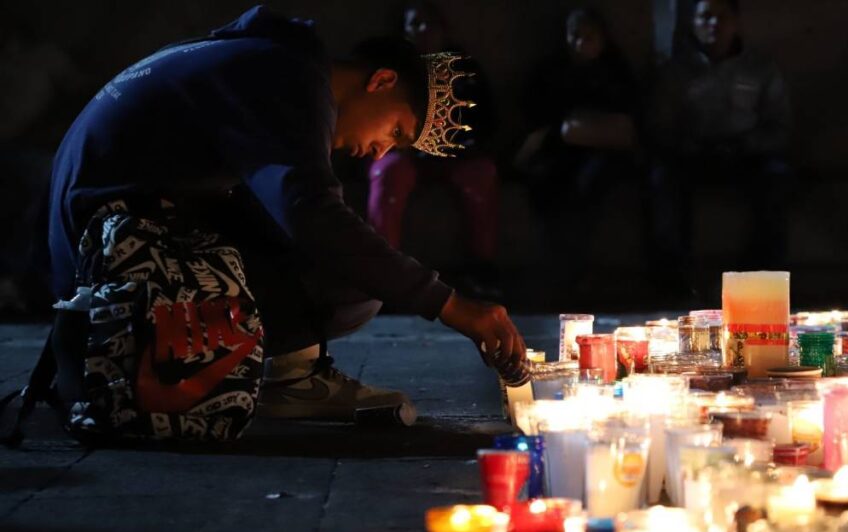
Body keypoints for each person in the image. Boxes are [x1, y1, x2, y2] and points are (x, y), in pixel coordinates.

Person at [47, 6, 526, 426]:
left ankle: (292, 373)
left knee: (345, 247)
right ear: (380, 81)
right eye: (395, 131)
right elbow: (311, 215)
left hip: (106, 240)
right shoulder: (291, 82)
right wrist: (450, 305)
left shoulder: (273, 61)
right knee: (352, 276)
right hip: (109, 258)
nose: (380, 154)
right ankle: (291, 382)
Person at [646, 0, 792, 277]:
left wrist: (747, 144)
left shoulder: (760, 68)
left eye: (722, 17)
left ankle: (760, 276)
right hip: (692, 155)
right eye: (706, 17)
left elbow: (780, 126)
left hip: (745, 155)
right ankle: (673, 279)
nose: (714, 24)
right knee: (662, 179)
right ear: (693, 22)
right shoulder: (675, 71)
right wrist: (687, 144)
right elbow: (659, 126)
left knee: (778, 177)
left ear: (736, 23)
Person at [367, 1, 500, 292]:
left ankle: (481, 271)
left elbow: (486, 119)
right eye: (415, 24)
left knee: (481, 174)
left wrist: (465, 143)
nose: (423, 30)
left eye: (429, 23)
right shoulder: (392, 69)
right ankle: (384, 274)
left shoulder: (464, 67)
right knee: (388, 173)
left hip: (456, 155)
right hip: (404, 153)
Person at [516, 8, 640, 275]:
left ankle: (576, 265)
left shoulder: (614, 69)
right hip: (560, 148)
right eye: (575, 36)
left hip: (602, 151)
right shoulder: (552, 69)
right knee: (545, 179)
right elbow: (537, 113)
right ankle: (555, 262)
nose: (581, 43)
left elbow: (628, 117)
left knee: (590, 183)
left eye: (589, 37)